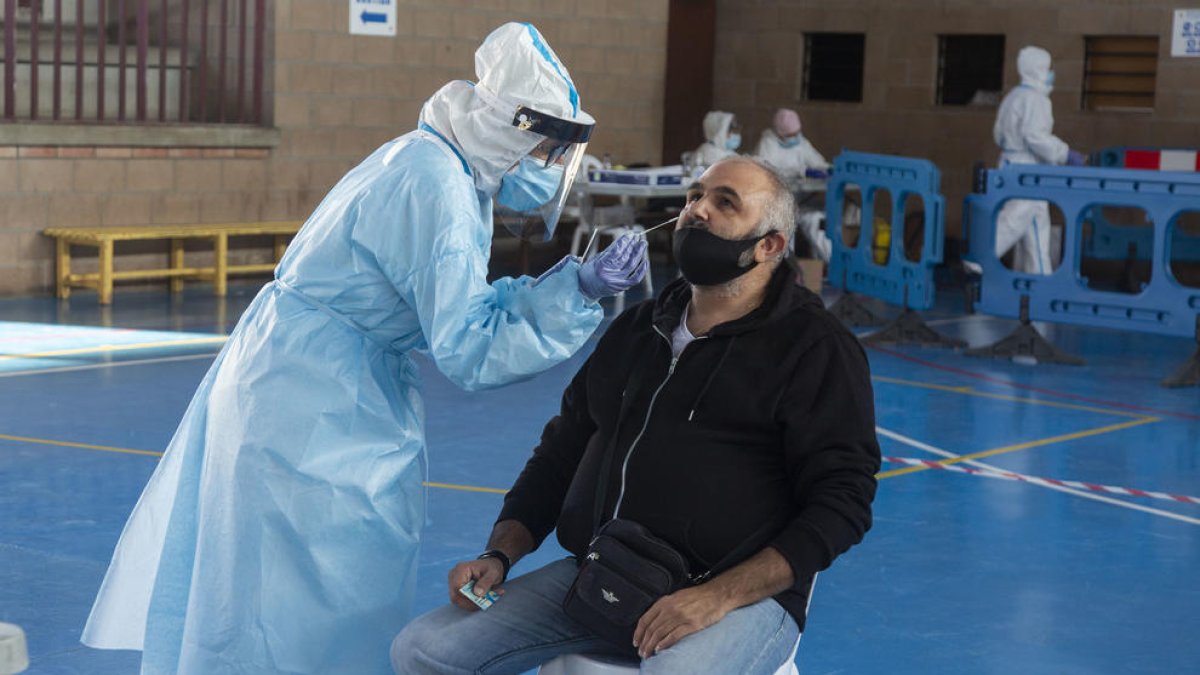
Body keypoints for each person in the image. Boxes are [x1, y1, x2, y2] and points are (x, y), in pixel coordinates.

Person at [81, 23, 648, 675]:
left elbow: (467, 300)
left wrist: (565, 285)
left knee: (290, 592)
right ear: (508, 130)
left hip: (307, 378)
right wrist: (575, 296)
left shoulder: (433, 164)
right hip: (312, 406)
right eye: (544, 147)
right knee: (302, 598)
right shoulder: (435, 187)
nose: (546, 168)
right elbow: (469, 347)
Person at [391, 156, 881, 675]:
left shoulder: (816, 349)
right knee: (422, 649)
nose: (697, 210)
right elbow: (560, 453)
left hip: (733, 595)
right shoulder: (637, 331)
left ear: (769, 246)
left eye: (724, 202)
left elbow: (843, 501)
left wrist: (716, 596)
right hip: (607, 572)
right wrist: (499, 555)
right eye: (695, 196)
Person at [991, 45, 1087, 274]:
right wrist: (1065, 154)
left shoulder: (1013, 96)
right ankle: (979, 258)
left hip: (1012, 162)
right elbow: (1036, 137)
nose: (1052, 73)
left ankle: (1040, 278)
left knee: (1036, 224)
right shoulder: (1036, 100)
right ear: (1038, 69)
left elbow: (998, 134)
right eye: (1048, 68)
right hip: (1025, 169)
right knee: (1016, 217)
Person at [754, 108, 829, 181]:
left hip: (800, 192)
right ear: (779, 133)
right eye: (790, 135)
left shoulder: (801, 142)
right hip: (776, 191)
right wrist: (801, 172)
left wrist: (827, 168)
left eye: (796, 134)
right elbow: (767, 171)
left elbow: (815, 161)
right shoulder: (768, 143)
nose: (794, 138)